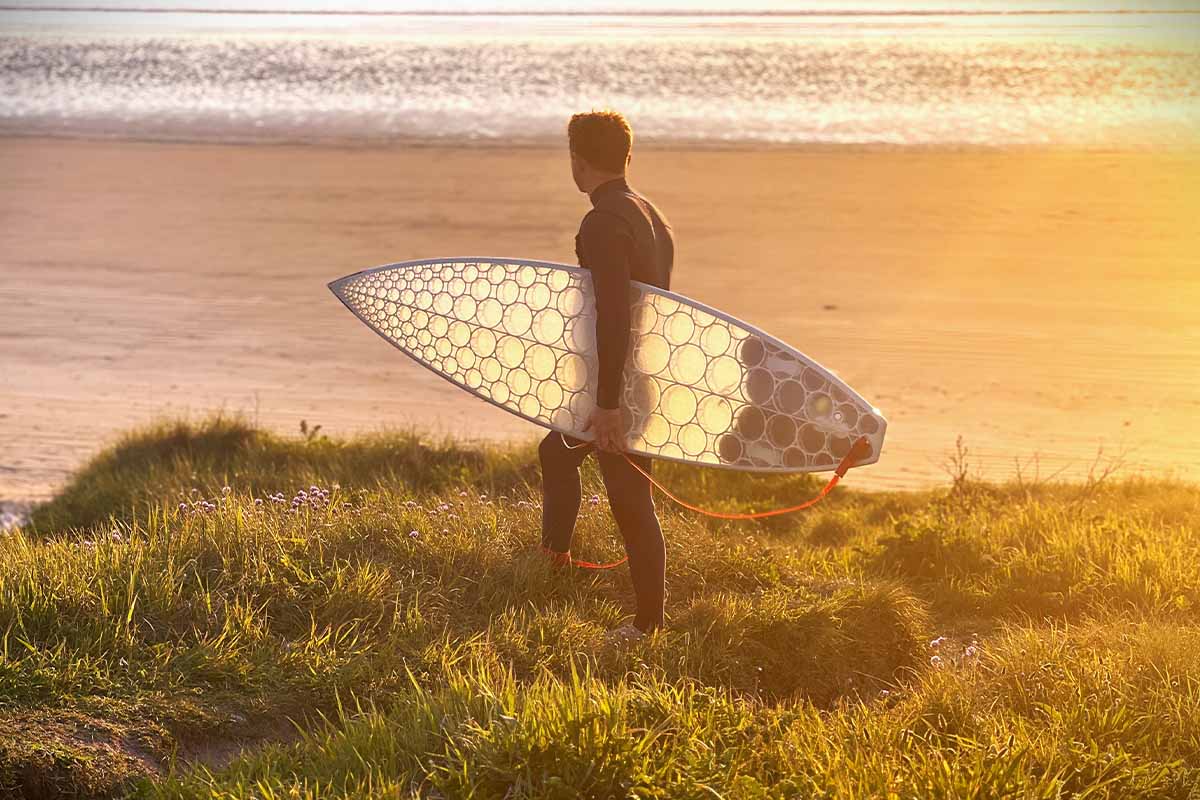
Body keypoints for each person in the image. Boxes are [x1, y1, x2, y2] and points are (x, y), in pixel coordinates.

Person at [538, 110, 675, 642]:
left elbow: (614, 311)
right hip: (640, 370)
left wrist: (608, 401)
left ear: (577, 160)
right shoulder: (651, 214)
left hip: (621, 381)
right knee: (556, 452)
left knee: (628, 494)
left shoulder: (603, 223)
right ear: (627, 156)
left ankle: (648, 624)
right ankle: (555, 558)